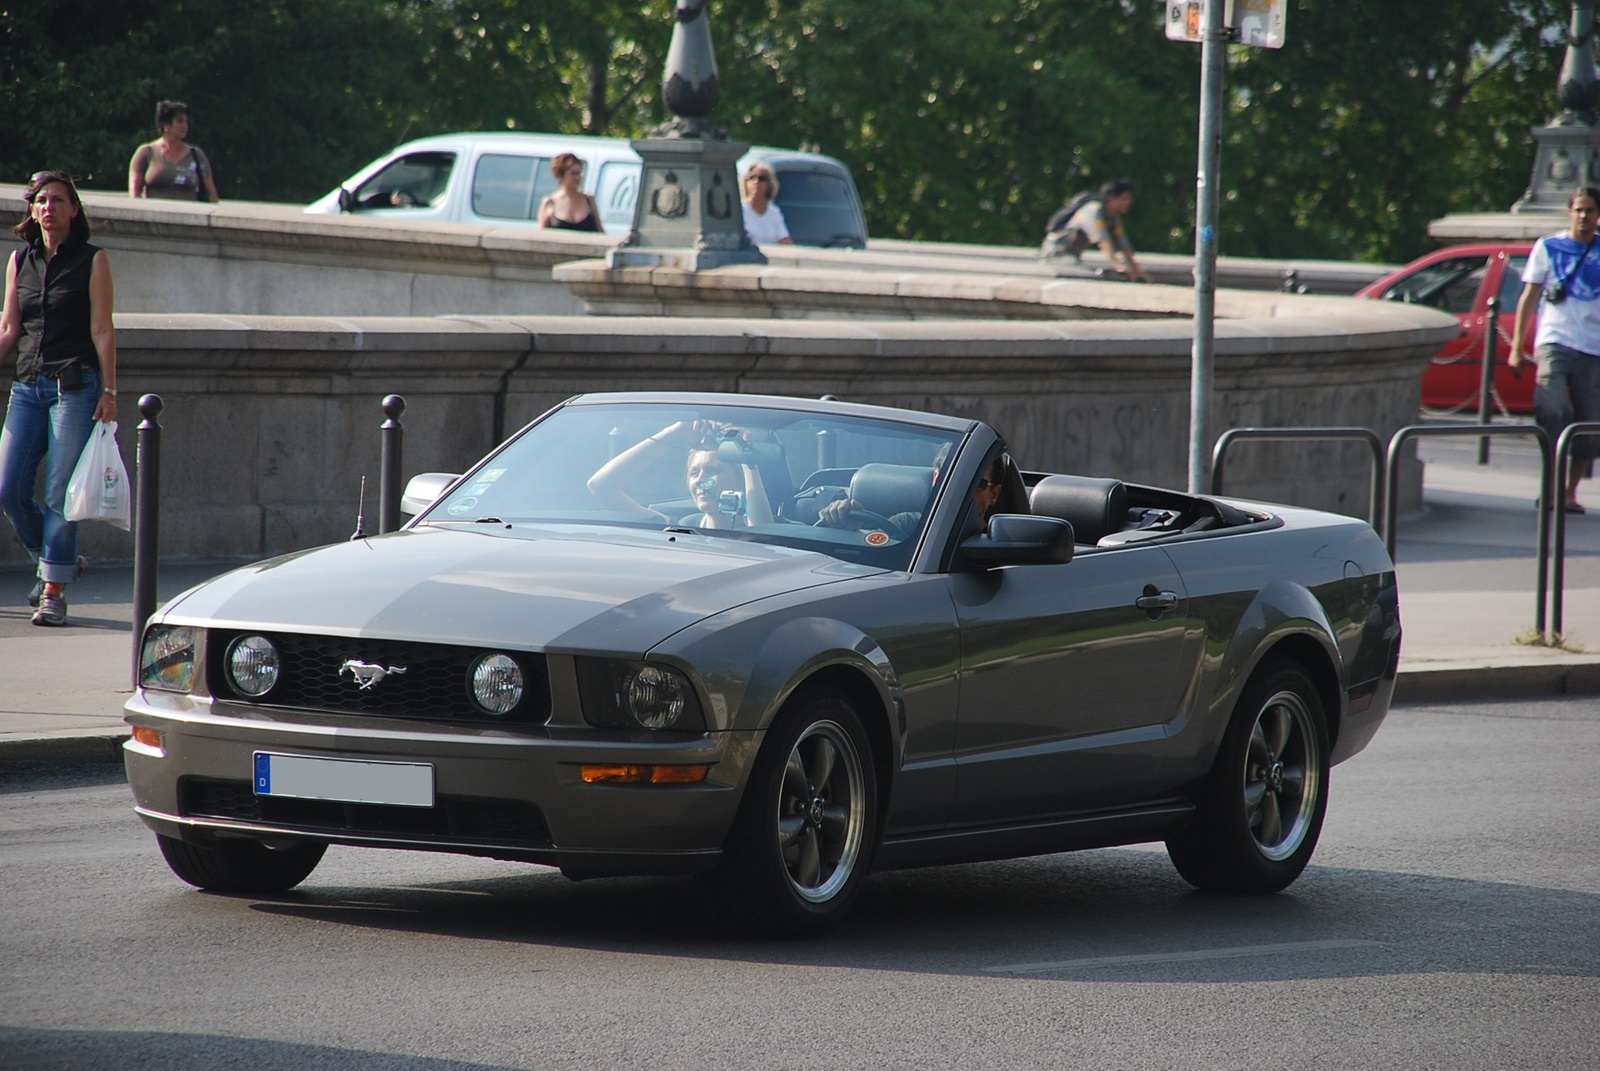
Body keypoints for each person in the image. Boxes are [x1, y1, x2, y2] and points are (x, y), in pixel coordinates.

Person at [0, 171, 119, 626]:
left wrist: (110, 390)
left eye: (58, 200)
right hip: (28, 386)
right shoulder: (19, 261)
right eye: (41, 201)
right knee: (9, 489)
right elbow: (11, 328)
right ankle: (58, 562)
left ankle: (53, 591)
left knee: (60, 495)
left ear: (74, 210)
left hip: (75, 386)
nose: (49, 207)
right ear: (32, 211)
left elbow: (103, 328)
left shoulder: (93, 260)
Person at [1510, 186, 1600, 514]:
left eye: (1589, 210)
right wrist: (1517, 348)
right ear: (1569, 212)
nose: (1583, 216)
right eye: (1578, 210)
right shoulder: (1548, 247)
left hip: (1594, 348)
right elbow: (1529, 298)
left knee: (1591, 424)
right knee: (1551, 408)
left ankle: (1569, 492)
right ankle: (1549, 486)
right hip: (1555, 341)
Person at [587, 420, 773, 529]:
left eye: (713, 470)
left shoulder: (764, 529)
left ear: (740, 481)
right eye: (694, 472)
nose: (700, 480)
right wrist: (673, 433)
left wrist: (748, 459)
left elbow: (763, 531)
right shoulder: (678, 530)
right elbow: (601, 487)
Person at [1040, 179, 1150, 282]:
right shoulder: (1093, 211)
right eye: (1125, 198)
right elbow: (1103, 241)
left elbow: (1123, 244)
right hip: (1055, 255)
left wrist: (1138, 271)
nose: (1129, 202)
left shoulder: (1113, 217)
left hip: (1072, 256)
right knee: (1085, 274)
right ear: (1111, 198)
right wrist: (1118, 266)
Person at [128, 101, 219, 203]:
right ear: (166, 125)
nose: (185, 126)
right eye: (180, 121)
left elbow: (211, 193)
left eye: (186, 122)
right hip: (155, 215)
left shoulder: (196, 155)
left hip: (189, 215)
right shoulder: (146, 152)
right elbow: (134, 193)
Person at [537, 153, 603, 232]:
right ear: (561, 176)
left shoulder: (589, 200)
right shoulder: (550, 203)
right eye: (573, 174)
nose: (577, 178)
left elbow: (600, 231)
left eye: (579, 173)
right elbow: (541, 235)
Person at [741, 163, 793, 245]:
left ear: (769, 184)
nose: (756, 182)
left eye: (761, 179)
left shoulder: (774, 213)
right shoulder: (739, 211)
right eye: (751, 178)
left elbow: (785, 240)